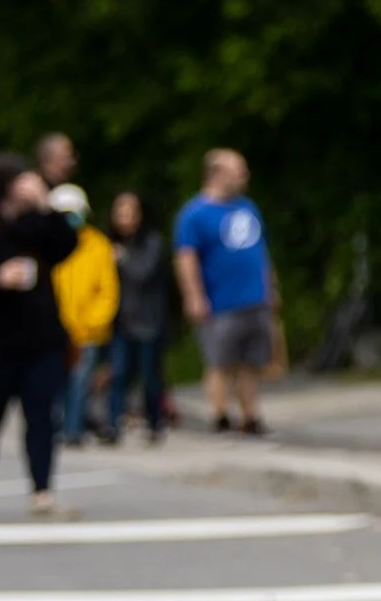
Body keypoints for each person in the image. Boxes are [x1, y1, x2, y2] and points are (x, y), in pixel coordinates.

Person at [0, 157, 77, 516]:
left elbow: (66, 246)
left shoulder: (35, 226)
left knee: (42, 418)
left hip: (38, 344)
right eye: (23, 179)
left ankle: (42, 491)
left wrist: (45, 206)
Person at [171, 149, 276, 436]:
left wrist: (271, 288)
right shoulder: (195, 215)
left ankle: (250, 416)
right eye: (237, 171)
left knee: (250, 362)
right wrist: (194, 296)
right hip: (220, 301)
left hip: (253, 298)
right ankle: (220, 415)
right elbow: (186, 258)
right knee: (220, 361)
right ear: (217, 174)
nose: (244, 176)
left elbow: (261, 252)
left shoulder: (247, 207)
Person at [53, 189, 120, 445]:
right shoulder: (47, 243)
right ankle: (55, 428)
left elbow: (107, 290)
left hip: (87, 331)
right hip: (54, 329)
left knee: (80, 383)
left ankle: (73, 431)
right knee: (55, 384)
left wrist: (93, 323)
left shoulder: (97, 244)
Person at [106, 188, 171, 442]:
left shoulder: (151, 242)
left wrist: (122, 258)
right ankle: (112, 424)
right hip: (120, 320)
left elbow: (143, 273)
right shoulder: (108, 242)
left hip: (148, 321)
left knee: (150, 375)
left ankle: (155, 421)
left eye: (129, 212)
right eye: (119, 212)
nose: (124, 217)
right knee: (118, 373)